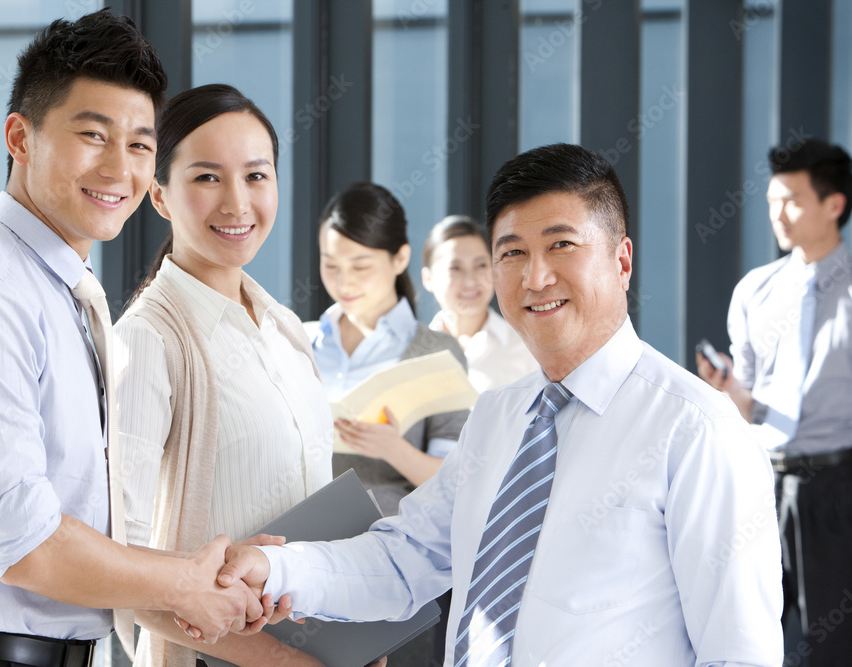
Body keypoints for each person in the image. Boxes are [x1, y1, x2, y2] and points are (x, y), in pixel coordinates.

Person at [221, 143, 785, 666]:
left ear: (622, 260)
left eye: (562, 245)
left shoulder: (697, 430)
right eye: (512, 252)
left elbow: (740, 653)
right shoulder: (498, 416)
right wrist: (274, 567)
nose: (536, 276)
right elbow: (404, 559)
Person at [0, 12, 269, 667]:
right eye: (94, 135)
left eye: (141, 145)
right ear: (20, 138)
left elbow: (80, 531)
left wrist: (211, 579)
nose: (120, 167)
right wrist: (184, 581)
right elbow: (23, 542)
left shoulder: (63, 294)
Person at [112, 84, 332, 667]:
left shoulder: (285, 327)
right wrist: (284, 663)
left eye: (256, 176)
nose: (237, 203)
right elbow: (117, 561)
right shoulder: (148, 338)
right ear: (159, 195)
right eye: (207, 178)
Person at [696, 139, 852, 665]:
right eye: (771, 200)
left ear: (834, 205)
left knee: (834, 645)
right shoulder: (754, 291)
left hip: (840, 488)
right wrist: (726, 390)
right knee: (750, 639)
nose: (777, 214)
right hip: (764, 485)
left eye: (792, 200)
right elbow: (750, 404)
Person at [310, 182, 469, 518]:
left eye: (360, 266)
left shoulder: (436, 353)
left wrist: (392, 449)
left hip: (386, 543)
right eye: (331, 265)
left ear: (400, 258)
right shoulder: (299, 341)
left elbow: (454, 483)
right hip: (294, 542)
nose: (343, 282)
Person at [421, 215, 538, 391]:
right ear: (428, 278)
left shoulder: (526, 349)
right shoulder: (415, 352)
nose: (470, 282)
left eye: (481, 265)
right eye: (455, 268)